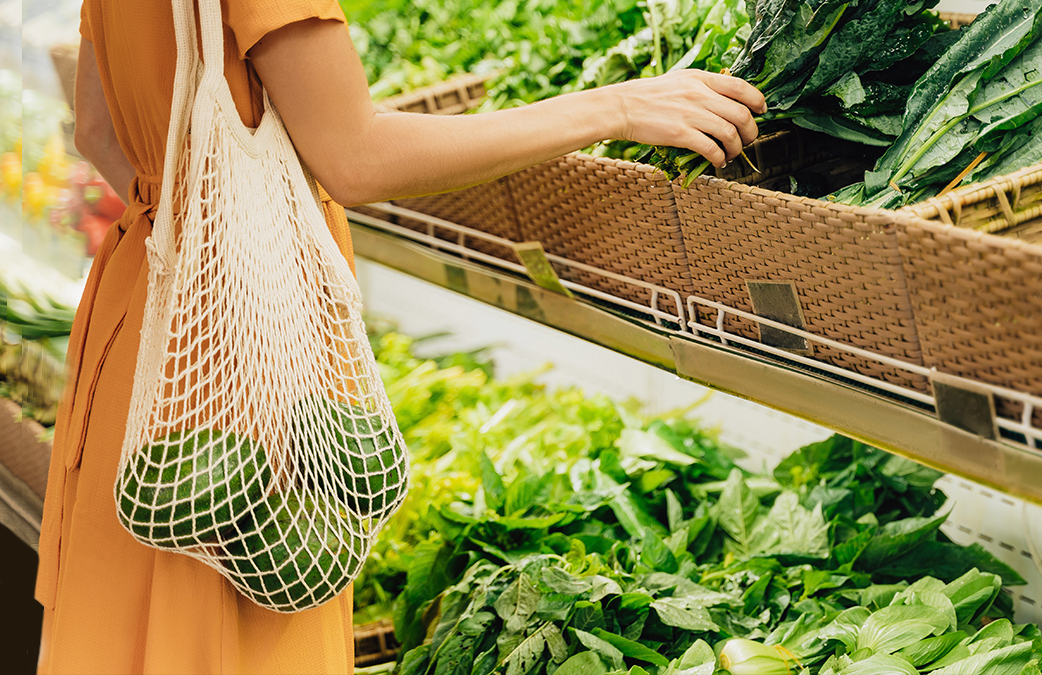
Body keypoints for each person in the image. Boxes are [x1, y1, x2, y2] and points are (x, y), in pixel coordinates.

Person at [36, 1, 766, 673]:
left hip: (147, 340)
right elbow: (355, 156)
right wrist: (620, 104)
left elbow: (100, 133)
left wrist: (194, 211)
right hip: (243, 397)